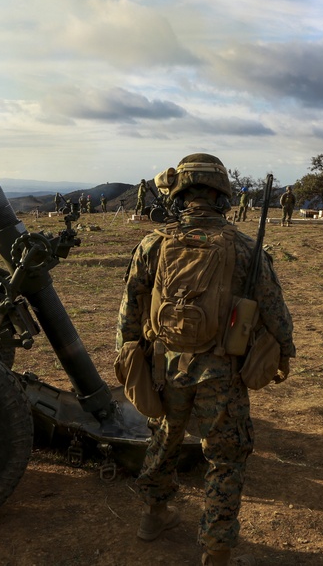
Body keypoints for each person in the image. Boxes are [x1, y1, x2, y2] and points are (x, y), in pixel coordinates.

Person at [116, 154, 295, 566]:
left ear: (180, 195)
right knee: (225, 456)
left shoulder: (153, 243)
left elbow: (130, 307)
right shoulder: (246, 246)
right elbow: (274, 310)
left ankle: (153, 515)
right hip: (222, 372)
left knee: (164, 440)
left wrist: (129, 354)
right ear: (222, 196)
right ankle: (216, 549)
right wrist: (285, 351)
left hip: (164, 366)